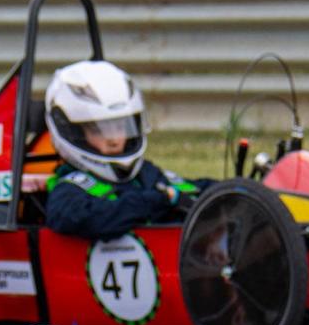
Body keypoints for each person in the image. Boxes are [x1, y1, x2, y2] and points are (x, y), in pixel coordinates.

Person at [35, 59, 216, 241]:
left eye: (121, 127)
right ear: (72, 130)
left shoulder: (145, 175)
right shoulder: (68, 191)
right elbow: (88, 219)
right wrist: (157, 201)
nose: (114, 139)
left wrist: (234, 189)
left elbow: (191, 189)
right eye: (99, 130)